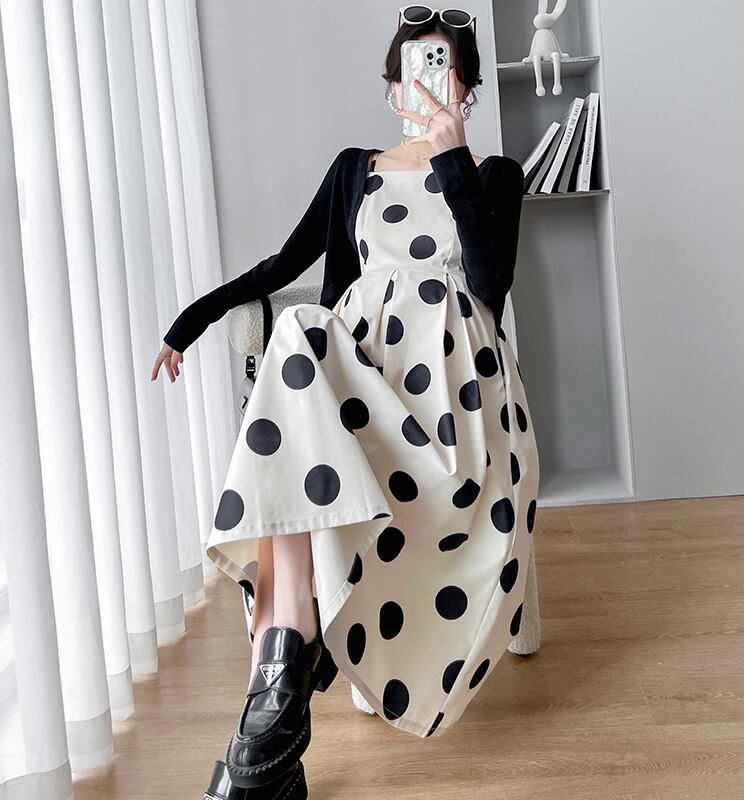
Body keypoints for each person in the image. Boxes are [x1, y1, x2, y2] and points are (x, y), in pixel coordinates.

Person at [153, 7, 540, 798]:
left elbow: (489, 286)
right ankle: (283, 688)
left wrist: (453, 160)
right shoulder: (352, 171)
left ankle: (272, 713)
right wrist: (188, 324)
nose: (426, 81)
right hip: (355, 381)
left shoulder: (494, 173)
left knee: (299, 370)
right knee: (299, 335)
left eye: (443, 67)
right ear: (393, 89)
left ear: (466, 87)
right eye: (413, 67)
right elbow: (284, 263)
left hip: (453, 404)